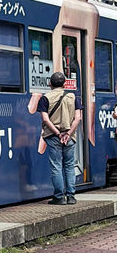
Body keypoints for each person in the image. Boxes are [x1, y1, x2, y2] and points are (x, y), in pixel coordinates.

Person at [37, 71, 83, 205]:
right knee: (69, 165)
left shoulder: (45, 98)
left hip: (53, 136)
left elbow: (45, 119)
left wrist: (58, 133)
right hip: (69, 136)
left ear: (50, 83)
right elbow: (78, 118)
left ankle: (59, 197)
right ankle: (71, 196)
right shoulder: (73, 97)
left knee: (56, 166)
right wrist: (68, 133)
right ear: (64, 84)